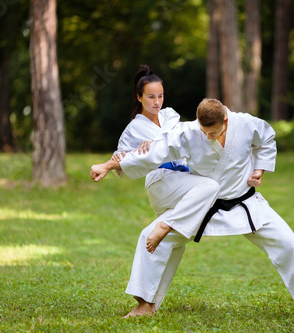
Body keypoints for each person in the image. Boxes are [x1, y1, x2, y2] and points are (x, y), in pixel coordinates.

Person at [90, 98, 294, 317]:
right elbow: (153, 153)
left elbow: (267, 138)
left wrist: (260, 168)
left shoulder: (246, 124)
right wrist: (109, 165)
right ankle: (145, 305)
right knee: (149, 237)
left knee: (289, 243)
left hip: (244, 202)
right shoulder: (188, 132)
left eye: (214, 132)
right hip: (202, 204)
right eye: (204, 131)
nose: (208, 137)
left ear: (225, 121)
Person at [91, 65, 220, 254]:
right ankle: (165, 225)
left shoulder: (170, 115)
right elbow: (122, 157)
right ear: (139, 97)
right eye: (151, 97)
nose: (157, 102)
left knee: (173, 245)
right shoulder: (133, 129)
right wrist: (108, 164)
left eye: (160, 96)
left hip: (184, 176)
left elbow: (180, 138)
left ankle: (148, 278)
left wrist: (155, 142)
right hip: (161, 180)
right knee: (209, 187)